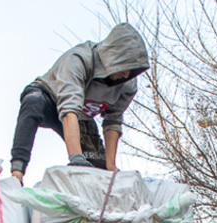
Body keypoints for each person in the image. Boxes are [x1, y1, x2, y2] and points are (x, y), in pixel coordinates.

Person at [8, 23, 150, 180]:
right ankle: (17, 173)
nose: (126, 74)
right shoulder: (79, 60)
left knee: (99, 171)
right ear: (112, 59)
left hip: (81, 116)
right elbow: (69, 107)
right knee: (33, 102)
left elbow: (113, 121)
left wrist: (111, 167)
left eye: (130, 70)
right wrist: (76, 158)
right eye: (123, 68)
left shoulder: (127, 83)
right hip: (50, 98)